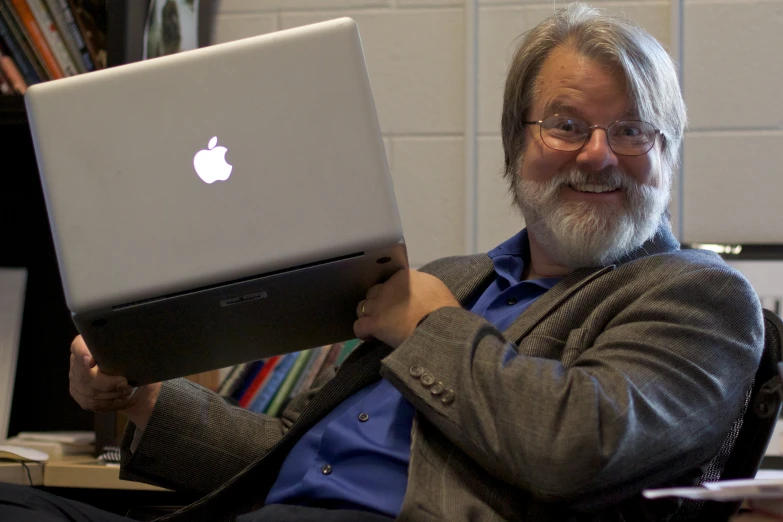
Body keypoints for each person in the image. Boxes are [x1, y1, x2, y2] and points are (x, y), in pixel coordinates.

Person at [0, 3, 764, 521]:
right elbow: (300, 457)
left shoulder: (697, 295)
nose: (598, 154)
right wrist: (140, 397)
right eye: (566, 124)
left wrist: (428, 327)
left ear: (666, 157)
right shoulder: (455, 277)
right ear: (515, 145)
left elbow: (579, 447)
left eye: (633, 131)